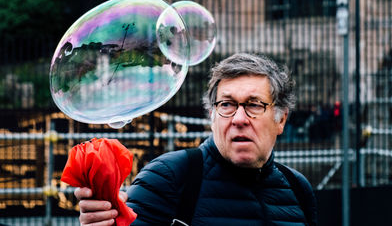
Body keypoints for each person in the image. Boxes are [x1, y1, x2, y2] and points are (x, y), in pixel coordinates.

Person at [75, 53, 318, 226]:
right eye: (227, 104)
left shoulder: (298, 188)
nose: (239, 118)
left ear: (281, 119)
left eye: (254, 105)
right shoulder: (169, 177)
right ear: (212, 116)